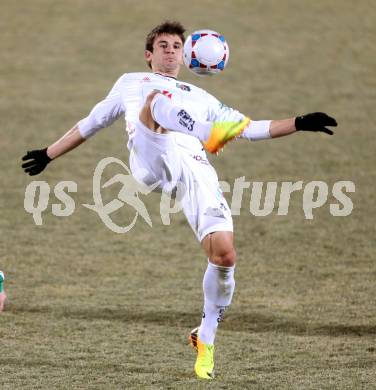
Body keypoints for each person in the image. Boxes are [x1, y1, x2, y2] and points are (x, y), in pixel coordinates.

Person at [21, 21, 337, 380]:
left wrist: (299, 121)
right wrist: (49, 153)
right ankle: (206, 134)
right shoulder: (132, 82)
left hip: (193, 169)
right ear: (149, 55)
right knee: (157, 102)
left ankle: (205, 337)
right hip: (150, 154)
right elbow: (91, 123)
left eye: (176, 45)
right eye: (163, 45)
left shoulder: (204, 99)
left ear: (187, 55)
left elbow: (250, 128)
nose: (171, 50)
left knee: (224, 255)